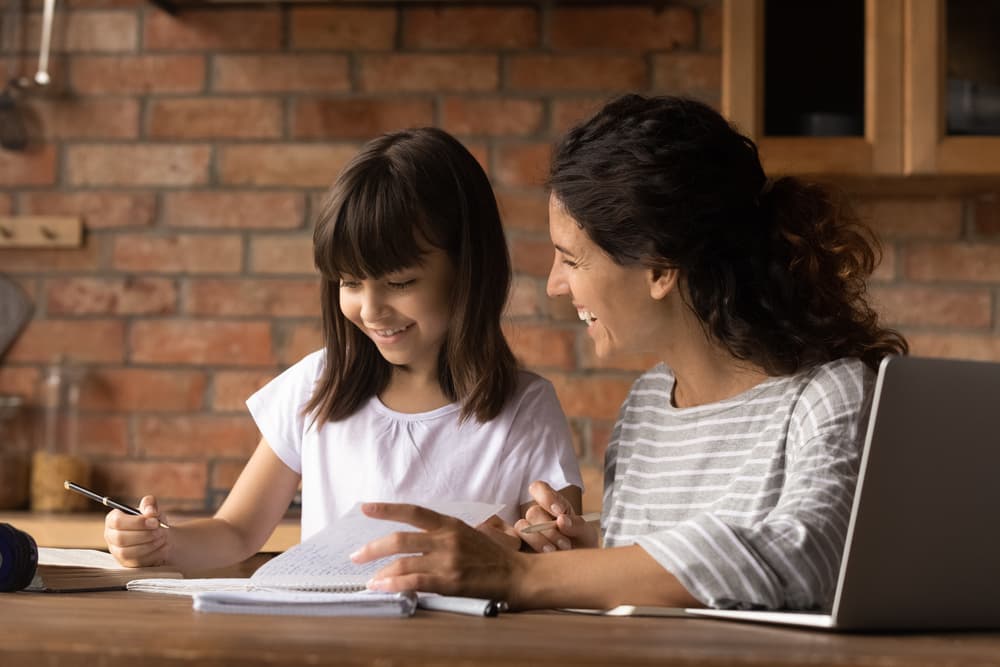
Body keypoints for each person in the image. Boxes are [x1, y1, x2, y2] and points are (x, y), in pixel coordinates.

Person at [349, 94, 908, 611]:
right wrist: (577, 546)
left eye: (571, 260)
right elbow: (661, 578)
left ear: (659, 269)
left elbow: (808, 558)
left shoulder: (829, 396)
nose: (554, 286)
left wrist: (519, 579)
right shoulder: (645, 408)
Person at [104, 127, 582, 571]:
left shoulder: (525, 410)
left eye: (400, 282)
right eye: (350, 282)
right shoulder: (317, 386)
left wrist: (536, 539)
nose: (371, 309)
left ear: (468, 270)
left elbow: (558, 557)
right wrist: (162, 542)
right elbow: (235, 531)